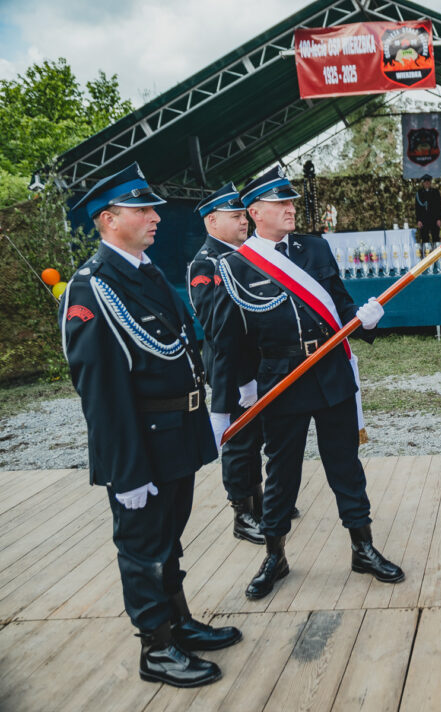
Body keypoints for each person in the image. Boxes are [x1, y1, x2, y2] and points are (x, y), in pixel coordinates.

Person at [60, 163, 240, 687]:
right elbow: (101, 393)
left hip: (175, 435)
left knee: (169, 538)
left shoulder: (147, 271)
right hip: (141, 444)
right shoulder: (92, 288)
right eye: (142, 210)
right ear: (108, 219)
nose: (155, 217)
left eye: (153, 209)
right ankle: (156, 648)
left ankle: (178, 622)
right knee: (142, 548)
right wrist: (127, 472)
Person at [210, 165, 404, 599]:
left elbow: (340, 303)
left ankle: (362, 547)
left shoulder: (315, 247)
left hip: (331, 371)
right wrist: (241, 388)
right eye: (280, 202)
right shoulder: (235, 266)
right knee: (282, 473)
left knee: (345, 466)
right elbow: (229, 339)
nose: (291, 208)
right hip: (282, 380)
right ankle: (274, 556)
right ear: (255, 212)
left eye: (291, 201)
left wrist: (365, 319)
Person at [188, 183, 297, 547]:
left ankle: (262, 502)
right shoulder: (206, 264)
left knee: (261, 436)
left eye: (243, 215)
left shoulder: (248, 254)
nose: (243, 221)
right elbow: (217, 327)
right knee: (240, 442)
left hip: (261, 364)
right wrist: (241, 378)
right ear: (211, 221)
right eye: (234, 216)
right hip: (233, 369)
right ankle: (242, 513)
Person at [414, 174, 441, 243]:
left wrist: (439, 219)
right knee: (424, 239)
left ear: (430, 182)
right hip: (423, 219)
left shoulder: (435, 192)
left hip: (434, 219)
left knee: (436, 238)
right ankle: (426, 250)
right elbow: (417, 208)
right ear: (423, 183)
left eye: (428, 182)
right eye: (425, 182)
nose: (427, 183)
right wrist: (418, 220)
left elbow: (439, 206)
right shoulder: (419, 193)